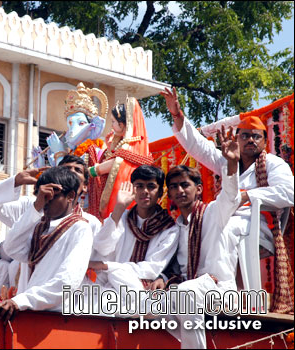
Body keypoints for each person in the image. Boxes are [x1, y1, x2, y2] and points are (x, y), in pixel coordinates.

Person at [160, 86, 294, 313]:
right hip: (227, 217)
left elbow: (289, 193)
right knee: (205, 221)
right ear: (237, 139)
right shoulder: (227, 160)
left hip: (259, 224)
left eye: (255, 137)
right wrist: (177, 115)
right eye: (245, 136)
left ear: (263, 141)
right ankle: (207, 285)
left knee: (225, 227)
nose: (250, 140)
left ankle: (221, 291)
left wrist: (247, 196)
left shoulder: (273, 163)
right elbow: (198, 146)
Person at [150, 126, 241, 349]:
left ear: (199, 189)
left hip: (219, 291)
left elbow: (230, 195)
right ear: (169, 195)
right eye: (174, 187)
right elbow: (172, 265)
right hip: (189, 290)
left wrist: (231, 164)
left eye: (185, 185)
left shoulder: (213, 212)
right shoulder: (174, 229)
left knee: (184, 293)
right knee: (148, 303)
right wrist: (163, 276)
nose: (180, 190)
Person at [0, 167, 93, 322]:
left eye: (51, 196)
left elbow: (67, 282)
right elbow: (11, 247)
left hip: (57, 318)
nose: (45, 201)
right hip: (30, 313)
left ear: (71, 196)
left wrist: (21, 301)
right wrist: (35, 207)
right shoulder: (39, 227)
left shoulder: (80, 228)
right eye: (41, 195)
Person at [87, 165, 178, 298]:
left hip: (139, 287)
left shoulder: (169, 228)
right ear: (132, 189)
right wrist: (119, 208)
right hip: (108, 286)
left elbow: (152, 268)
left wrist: (109, 267)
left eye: (151, 186)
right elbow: (102, 247)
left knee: (116, 275)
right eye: (139, 186)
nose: (145, 191)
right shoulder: (122, 217)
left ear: (160, 192)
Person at [87, 97, 153, 221]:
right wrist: (110, 146)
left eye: (113, 122)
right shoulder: (127, 143)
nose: (111, 125)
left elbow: (116, 164)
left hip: (124, 199)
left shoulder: (131, 145)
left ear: (122, 124)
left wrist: (89, 171)